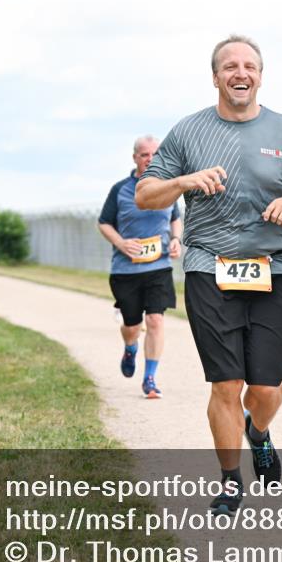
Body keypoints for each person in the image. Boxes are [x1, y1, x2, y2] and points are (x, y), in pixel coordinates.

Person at [136, 35, 282, 515]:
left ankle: (258, 431)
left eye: (249, 66)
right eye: (230, 66)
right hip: (208, 267)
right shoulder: (189, 131)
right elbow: (146, 195)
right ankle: (229, 481)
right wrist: (182, 181)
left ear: (261, 75)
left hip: (273, 270)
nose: (240, 73)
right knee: (226, 384)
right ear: (215, 76)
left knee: (266, 387)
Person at [98, 135, 184, 398]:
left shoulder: (167, 186)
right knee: (132, 326)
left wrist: (177, 239)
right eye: (145, 154)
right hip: (126, 270)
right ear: (135, 157)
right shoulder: (121, 189)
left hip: (158, 267)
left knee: (156, 320)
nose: (150, 159)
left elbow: (175, 218)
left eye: (155, 154)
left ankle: (149, 379)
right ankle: (130, 347)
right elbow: (104, 223)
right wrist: (121, 243)